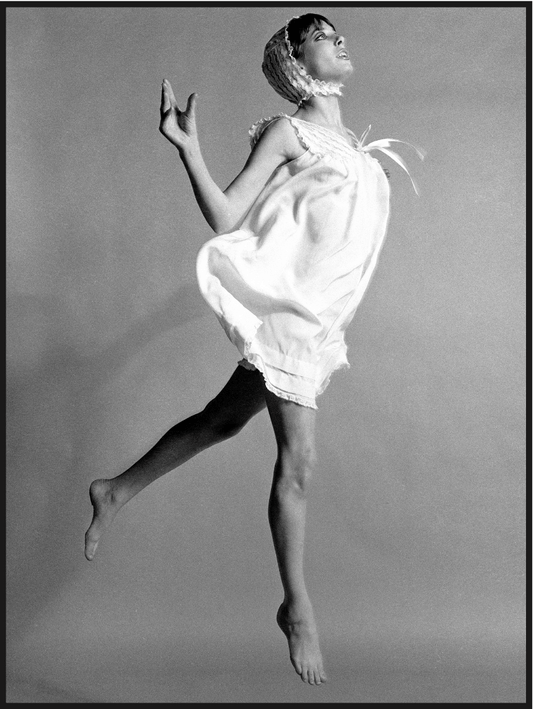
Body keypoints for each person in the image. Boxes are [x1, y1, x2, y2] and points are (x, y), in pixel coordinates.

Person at [85, 14, 422, 686]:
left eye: (335, 31)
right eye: (323, 35)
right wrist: (188, 149)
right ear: (294, 59)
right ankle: (296, 607)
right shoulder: (287, 130)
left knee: (222, 419)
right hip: (291, 321)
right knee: (298, 461)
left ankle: (113, 488)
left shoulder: (347, 142)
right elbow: (227, 215)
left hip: (320, 322)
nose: (339, 39)